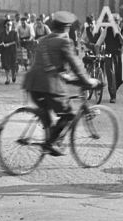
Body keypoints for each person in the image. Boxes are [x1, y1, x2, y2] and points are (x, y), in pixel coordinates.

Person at [21, 10, 102, 156]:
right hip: (49, 85)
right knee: (69, 114)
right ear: (66, 28)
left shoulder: (43, 40)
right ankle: (50, 143)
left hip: (32, 84)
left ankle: (48, 138)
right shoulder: (64, 41)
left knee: (46, 113)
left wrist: (67, 78)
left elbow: (46, 65)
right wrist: (89, 82)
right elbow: (76, 66)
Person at [0, 17, 19, 84]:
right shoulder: (2, 33)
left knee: (13, 64)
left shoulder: (14, 33)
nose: (9, 26)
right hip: (5, 51)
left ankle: (13, 75)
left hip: (12, 51)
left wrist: (9, 44)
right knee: (5, 65)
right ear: (5, 25)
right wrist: (0, 43)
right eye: (8, 24)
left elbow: (16, 41)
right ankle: (7, 79)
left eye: (10, 25)